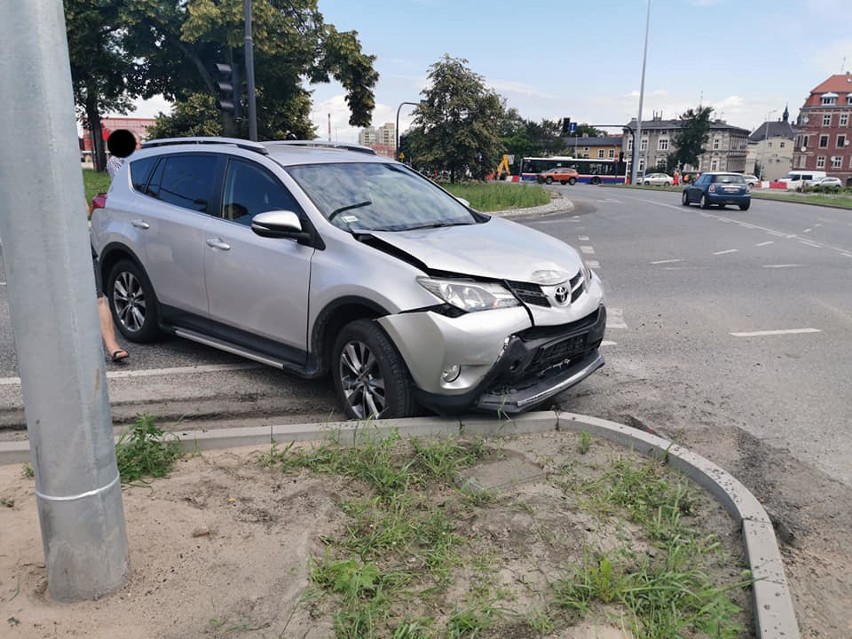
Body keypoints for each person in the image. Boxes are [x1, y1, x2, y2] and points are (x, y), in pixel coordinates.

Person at [87, 200, 128, 362]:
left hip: (79, 248)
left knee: (98, 299)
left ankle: (113, 347)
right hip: (47, 254)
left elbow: (84, 210)